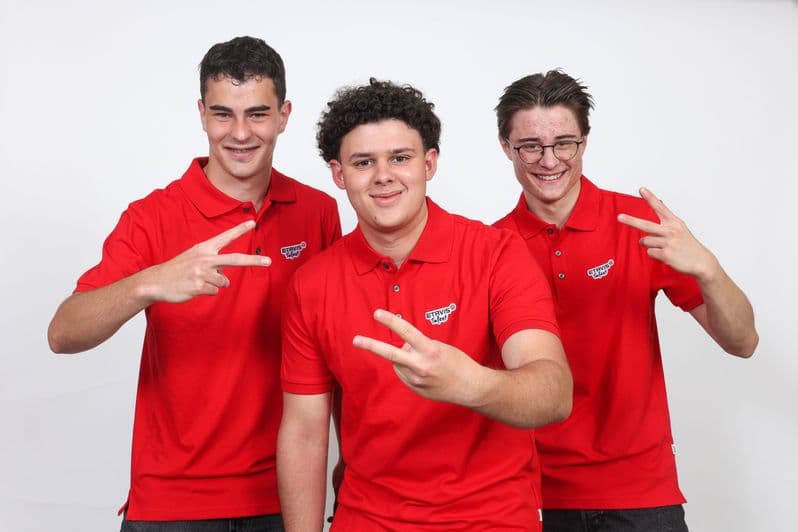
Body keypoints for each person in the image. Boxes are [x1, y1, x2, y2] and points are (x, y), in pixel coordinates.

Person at [47, 36, 341, 531]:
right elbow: (63, 332)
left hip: (284, 496)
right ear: (202, 114)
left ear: (284, 115)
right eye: (223, 114)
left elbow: (335, 353)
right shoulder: (152, 217)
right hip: (172, 504)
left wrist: (349, 461)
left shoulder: (317, 212)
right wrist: (149, 282)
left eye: (258, 114)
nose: (241, 133)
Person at [276, 78, 573, 531]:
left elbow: (554, 392)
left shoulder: (497, 254)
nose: (383, 175)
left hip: (492, 520)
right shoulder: (311, 284)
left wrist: (470, 384)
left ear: (429, 163)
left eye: (400, 157)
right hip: (366, 520)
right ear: (338, 174)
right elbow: (303, 435)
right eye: (363, 162)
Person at [493, 69, 758, 532]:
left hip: (642, 494)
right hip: (532, 493)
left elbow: (743, 342)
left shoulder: (638, 224)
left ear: (585, 142)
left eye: (564, 143)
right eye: (530, 146)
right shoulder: (492, 247)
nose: (549, 160)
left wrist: (708, 268)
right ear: (506, 147)